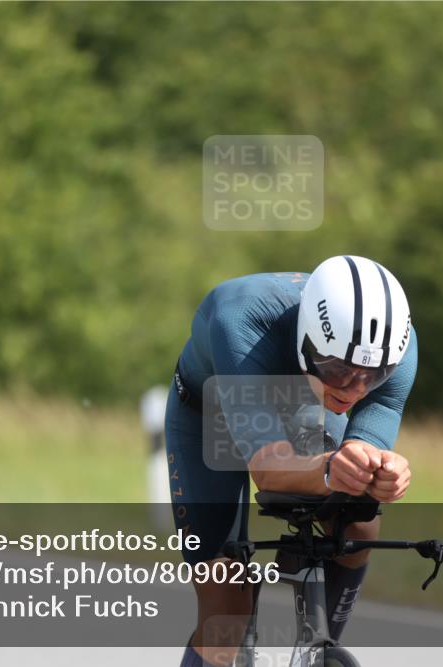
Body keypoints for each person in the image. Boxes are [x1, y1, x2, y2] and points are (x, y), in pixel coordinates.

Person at [165, 255, 418, 667]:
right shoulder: (241, 316)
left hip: (306, 407)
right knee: (225, 605)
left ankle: (317, 649)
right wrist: (330, 468)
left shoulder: (396, 350)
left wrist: (383, 474)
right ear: (307, 341)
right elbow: (269, 469)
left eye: (371, 376)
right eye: (339, 369)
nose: (355, 390)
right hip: (208, 416)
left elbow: (365, 459)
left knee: (360, 524)